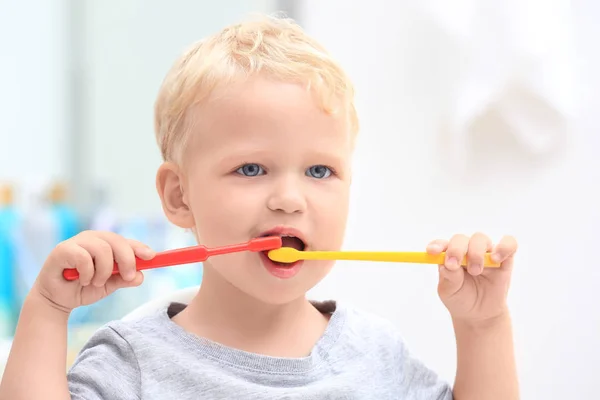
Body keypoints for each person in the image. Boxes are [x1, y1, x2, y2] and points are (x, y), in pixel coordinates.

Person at [0, 14, 519, 400]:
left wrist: (483, 326)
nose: (290, 199)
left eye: (320, 171)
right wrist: (48, 311)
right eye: (251, 169)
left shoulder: (374, 353)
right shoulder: (133, 363)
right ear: (180, 196)